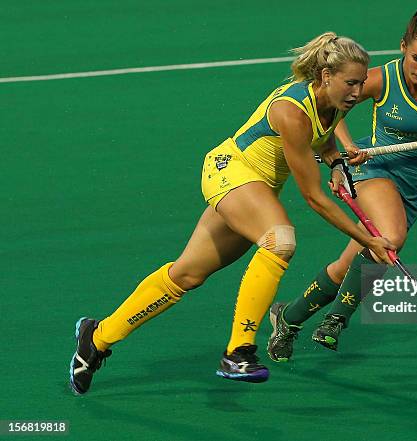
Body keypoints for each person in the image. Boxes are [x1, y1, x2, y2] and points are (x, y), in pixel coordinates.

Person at [68, 32, 397, 393]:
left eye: (361, 82)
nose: (357, 91)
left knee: (187, 275)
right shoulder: (292, 111)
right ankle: (238, 351)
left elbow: (324, 136)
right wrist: (367, 239)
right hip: (230, 171)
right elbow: (314, 198)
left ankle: (96, 338)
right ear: (325, 77)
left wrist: (336, 162)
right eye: (350, 82)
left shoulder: (334, 105)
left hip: (256, 190)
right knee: (280, 240)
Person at [267, 5, 417, 361]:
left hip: (414, 189)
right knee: (389, 241)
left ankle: (288, 317)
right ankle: (335, 322)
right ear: (403, 46)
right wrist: (345, 151)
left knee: (350, 265)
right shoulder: (381, 78)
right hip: (374, 169)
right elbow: (332, 108)